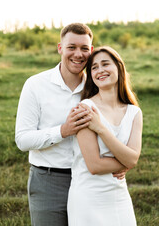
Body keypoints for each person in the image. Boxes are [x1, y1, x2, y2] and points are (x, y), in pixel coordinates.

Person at [15, 23, 127, 226]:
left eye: (84, 48)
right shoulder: (35, 85)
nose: (78, 54)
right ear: (60, 48)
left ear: (91, 50)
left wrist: (120, 162)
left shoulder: (97, 86)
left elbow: (117, 126)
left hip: (91, 180)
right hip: (49, 180)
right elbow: (22, 140)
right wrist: (63, 131)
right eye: (71, 47)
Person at [68, 46, 143, 226]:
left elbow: (133, 159)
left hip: (119, 198)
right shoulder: (85, 109)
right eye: (94, 67)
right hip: (88, 198)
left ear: (118, 67)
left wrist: (101, 129)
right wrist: (127, 160)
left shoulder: (134, 113)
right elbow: (94, 165)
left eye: (105, 64)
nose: (100, 70)